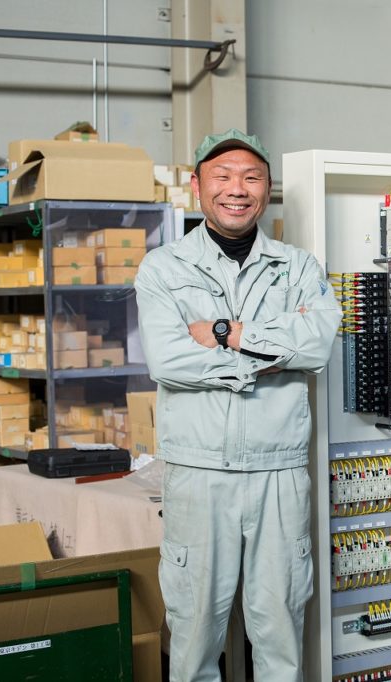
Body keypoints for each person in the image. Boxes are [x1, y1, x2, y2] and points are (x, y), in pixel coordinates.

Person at [135, 129, 341, 682]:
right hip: (199, 475)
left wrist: (225, 333)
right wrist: (268, 356)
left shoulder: (298, 267)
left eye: (251, 178)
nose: (237, 189)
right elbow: (168, 360)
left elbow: (318, 344)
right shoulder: (163, 268)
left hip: (279, 474)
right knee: (195, 632)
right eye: (222, 176)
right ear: (198, 186)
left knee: (279, 630)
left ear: (268, 190)